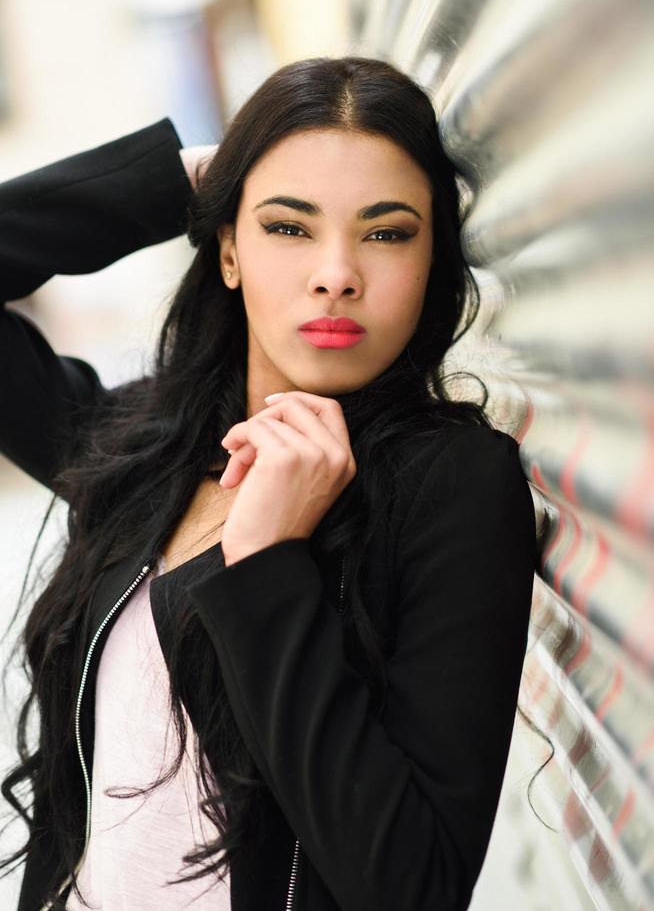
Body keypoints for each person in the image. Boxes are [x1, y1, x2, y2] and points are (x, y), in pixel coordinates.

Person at [0, 56, 537, 911]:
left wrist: (265, 565)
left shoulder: (456, 486)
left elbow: (413, 887)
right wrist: (170, 180)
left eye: (388, 232)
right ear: (227, 250)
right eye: (289, 226)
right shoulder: (146, 450)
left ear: (433, 260)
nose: (337, 273)